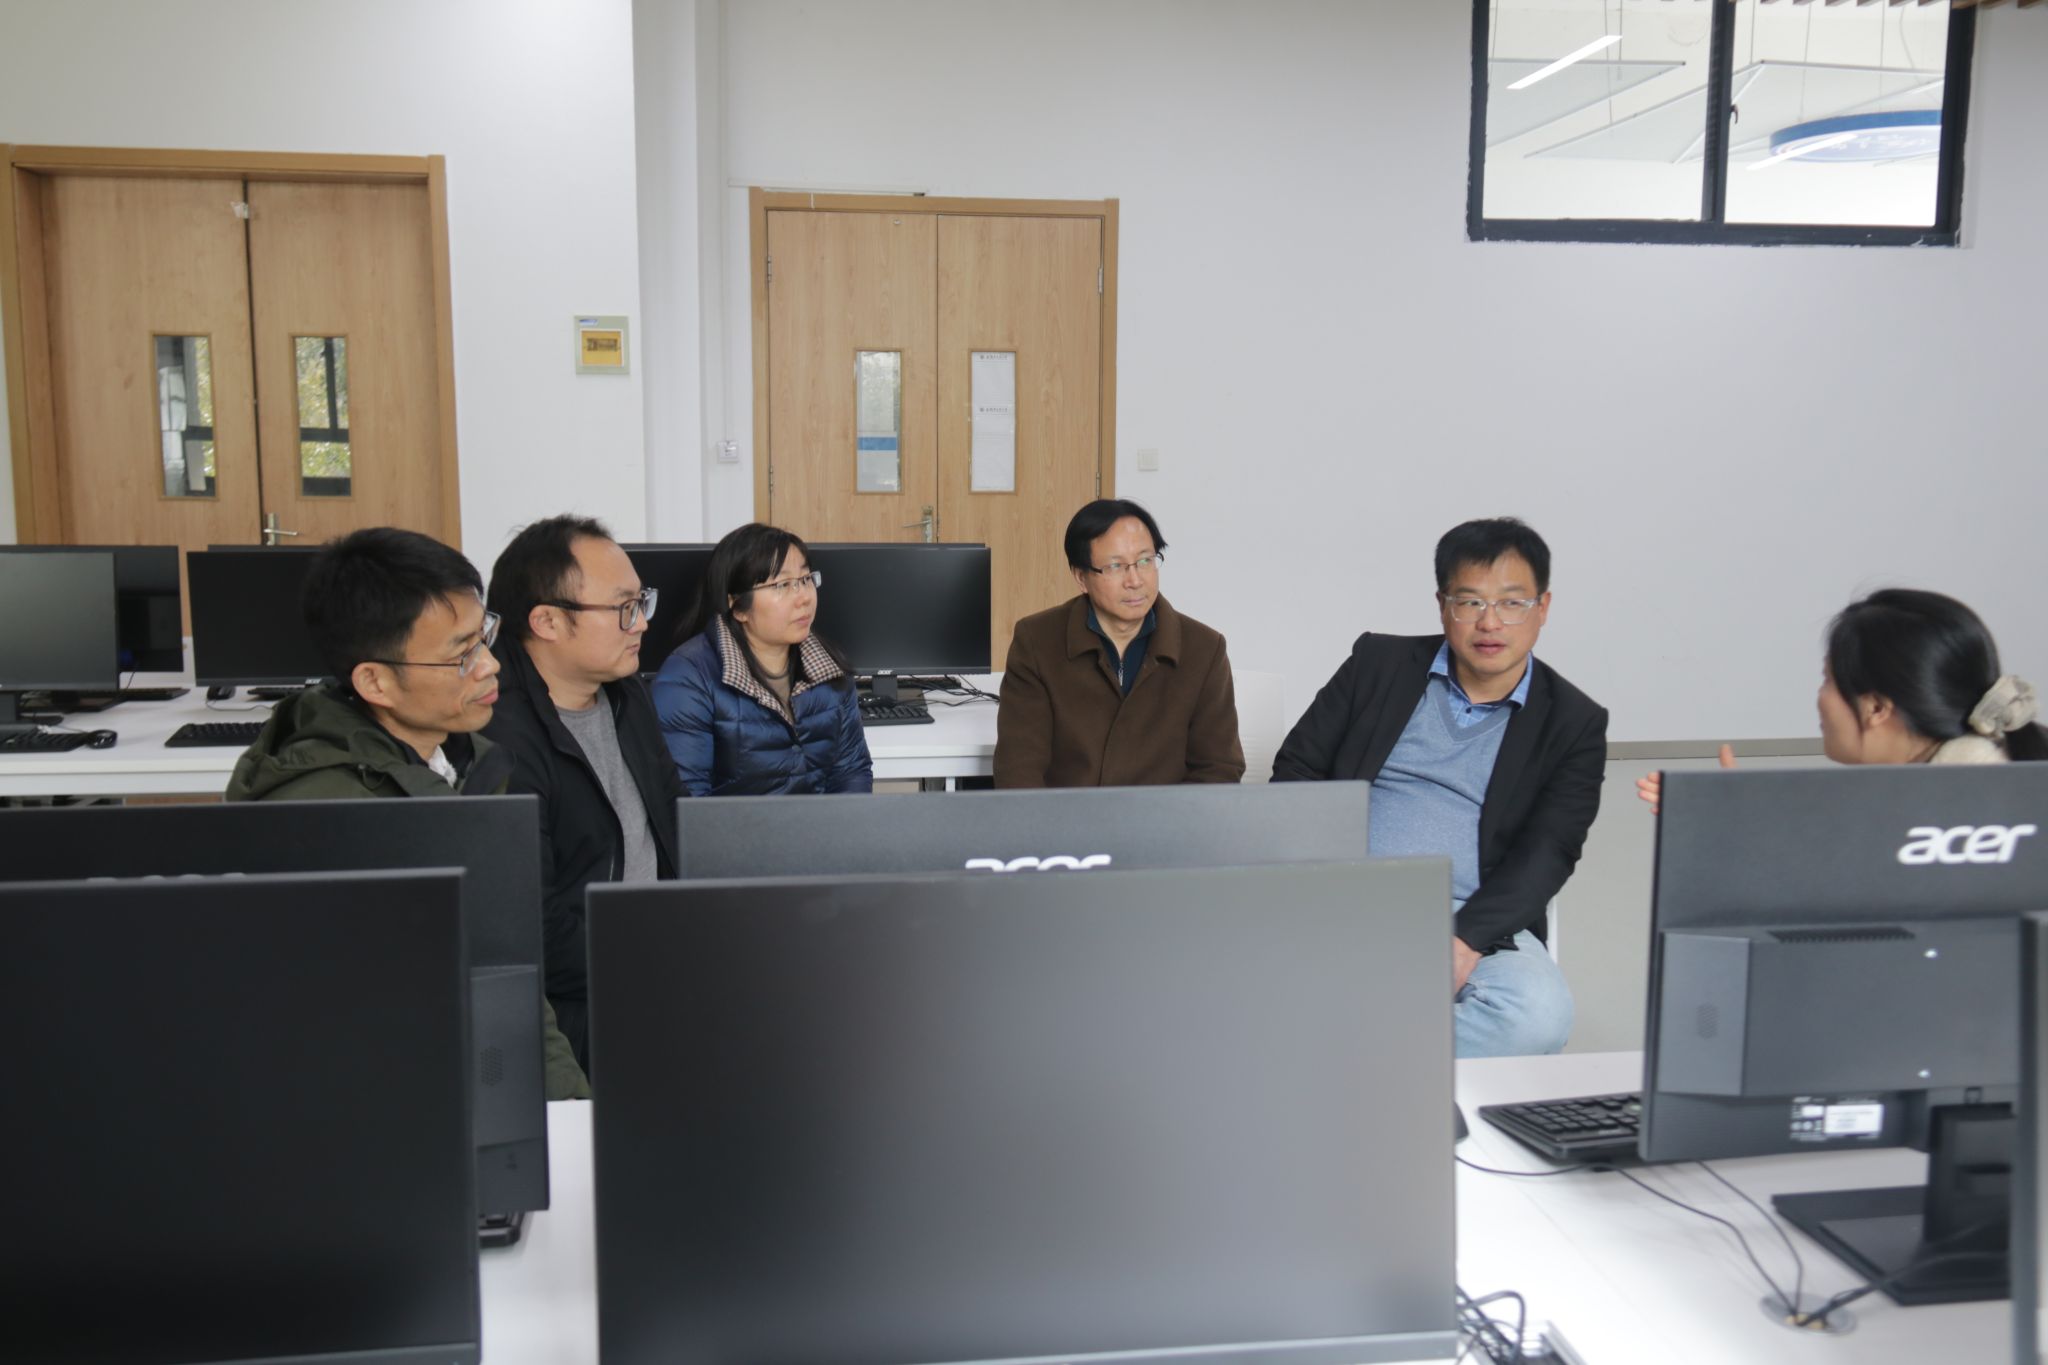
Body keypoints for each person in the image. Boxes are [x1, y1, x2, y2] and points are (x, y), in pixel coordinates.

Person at [225, 526, 589, 1100]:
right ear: (375, 681)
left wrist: (566, 1107)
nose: (490, 665)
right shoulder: (331, 824)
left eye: (484, 637)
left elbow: (503, 968)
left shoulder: (466, 761)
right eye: (461, 655)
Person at [1271, 517, 1606, 1059]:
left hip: (1472, 916)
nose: (1490, 622)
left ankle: (1341, 1053)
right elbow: (1298, 770)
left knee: (1537, 1016)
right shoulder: (1378, 664)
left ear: (1542, 608)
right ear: (1443, 605)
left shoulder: (1573, 721)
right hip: (1345, 893)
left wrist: (1464, 940)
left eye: (1512, 603)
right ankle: (1369, 1049)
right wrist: (1323, 886)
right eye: (1470, 601)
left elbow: (1550, 851)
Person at [483, 515, 687, 1071]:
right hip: (579, 1008)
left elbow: (677, 817)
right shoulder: (501, 738)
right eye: (623, 608)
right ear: (547, 620)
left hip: (661, 960)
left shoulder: (626, 693)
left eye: (641, 602)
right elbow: (532, 930)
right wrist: (662, 960)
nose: (641, 623)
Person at [1638, 588, 2045, 813]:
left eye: (1828, 680)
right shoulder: (1990, 806)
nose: (1820, 697)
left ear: (1876, 708)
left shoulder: (1924, 835)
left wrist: (1737, 831)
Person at [994, 498, 1243, 787]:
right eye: (1115, 566)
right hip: (1066, 814)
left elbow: (1218, 769)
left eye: (1145, 561)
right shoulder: (1037, 641)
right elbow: (1019, 768)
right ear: (1081, 577)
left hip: (1166, 815)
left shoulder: (1204, 649)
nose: (1135, 580)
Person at [653, 522, 873, 796]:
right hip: (735, 826)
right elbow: (688, 801)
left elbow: (851, 772)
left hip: (818, 824)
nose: (804, 598)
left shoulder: (828, 667)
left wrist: (842, 824)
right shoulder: (687, 679)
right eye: (782, 585)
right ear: (737, 606)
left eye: (806, 579)